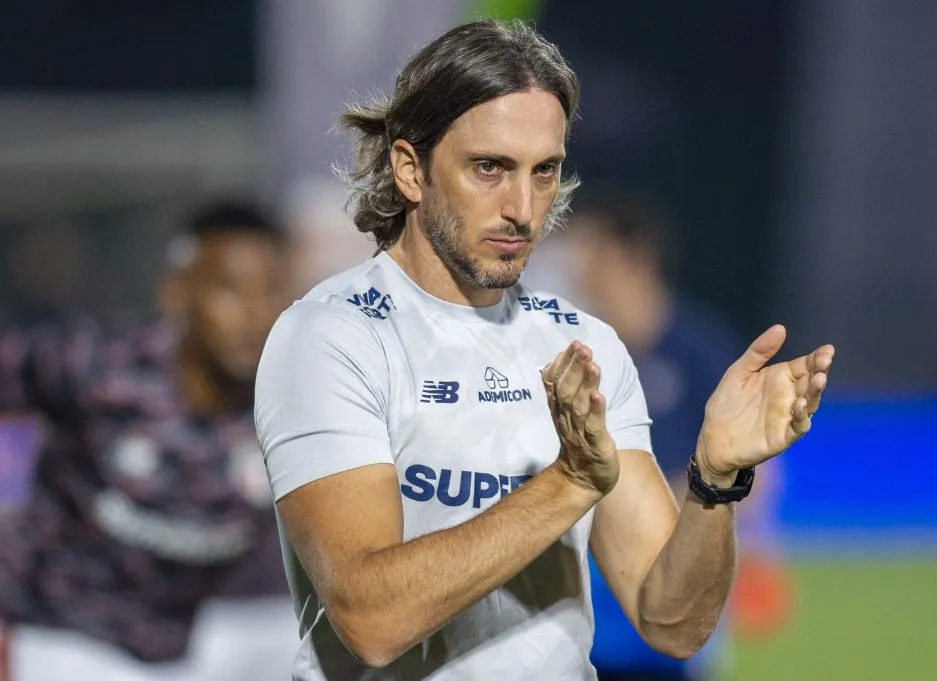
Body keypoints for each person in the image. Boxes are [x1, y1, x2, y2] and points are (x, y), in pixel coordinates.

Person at [256, 19, 835, 681]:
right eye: (490, 168)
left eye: (544, 172)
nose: (523, 209)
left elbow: (673, 623)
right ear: (411, 169)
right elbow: (370, 619)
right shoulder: (331, 338)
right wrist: (568, 484)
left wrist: (714, 481)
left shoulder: (584, 347)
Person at [0, 200, 290, 681]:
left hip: (187, 645)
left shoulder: (295, 405)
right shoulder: (97, 369)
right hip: (59, 634)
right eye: (229, 291)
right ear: (176, 293)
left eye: (270, 293)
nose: (254, 315)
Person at [539, 186, 792, 680]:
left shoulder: (702, 354)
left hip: (669, 586)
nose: (579, 269)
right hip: (583, 613)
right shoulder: (578, 354)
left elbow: (759, 475)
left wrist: (655, 503)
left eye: (591, 253)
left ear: (631, 258)